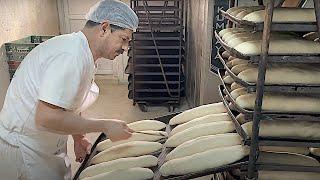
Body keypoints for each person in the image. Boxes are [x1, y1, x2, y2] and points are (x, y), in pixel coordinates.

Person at [0, 0, 139, 179]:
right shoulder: (70, 55)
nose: (125, 48)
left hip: (46, 144)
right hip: (24, 151)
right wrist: (104, 125)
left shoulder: (83, 53)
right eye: (124, 39)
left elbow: (68, 103)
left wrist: (78, 137)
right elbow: (46, 118)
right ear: (104, 28)